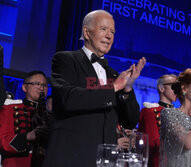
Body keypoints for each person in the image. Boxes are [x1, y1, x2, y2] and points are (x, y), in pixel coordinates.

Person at [43, 10, 146, 167]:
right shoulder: (65, 59)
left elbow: (130, 121)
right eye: (103, 29)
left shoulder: (113, 74)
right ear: (87, 32)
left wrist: (127, 89)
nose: (109, 36)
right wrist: (114, 87)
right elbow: (68, 99)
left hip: (105, 160)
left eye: (112, 31)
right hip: (71, 157)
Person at [0, 71, 49, 167]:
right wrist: (28, 136)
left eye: (44, 85)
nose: (41, 87)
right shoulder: (9, 109)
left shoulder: (51, 116)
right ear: (24, 87)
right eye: (37, 83)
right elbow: (2, 142)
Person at [138, 74, 177, 167]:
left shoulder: (179, 113)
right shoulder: (149, 111)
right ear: (161, 88)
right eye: (174, 86)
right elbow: (151, 147)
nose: (177, 90)